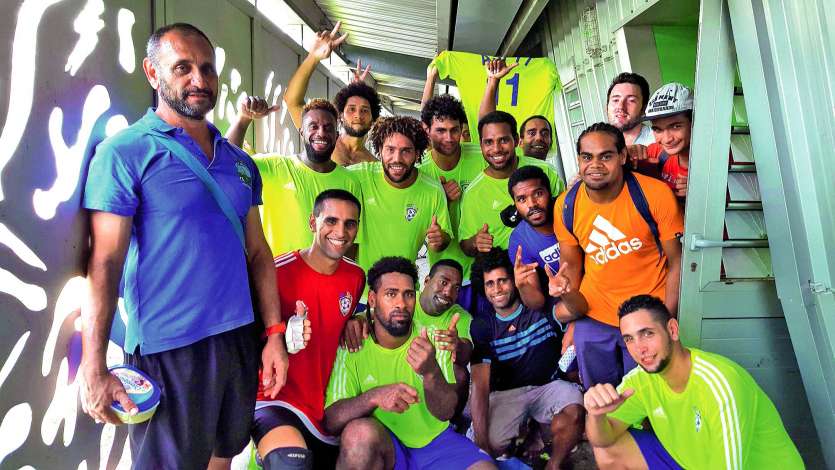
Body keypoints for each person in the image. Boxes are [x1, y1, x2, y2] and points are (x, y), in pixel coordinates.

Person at [79, 23, 288, 469]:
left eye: (207, 68)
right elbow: (106, 262)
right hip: (169, 347)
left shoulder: (240, 162)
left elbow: (257, 252)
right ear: (152, 74)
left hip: (237, 338)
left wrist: (273, 334)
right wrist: (93, 363)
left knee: (222, 456)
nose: (200, 79)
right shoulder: (125, 152)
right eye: (183, 68)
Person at [585, 295, 804, 469]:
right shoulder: (641, 379)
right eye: (629, 339)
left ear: (672, 330)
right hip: (691, 463)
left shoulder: (719, 384)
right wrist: (597, 415)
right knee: (609, 449)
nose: (639, 348)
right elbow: (602, 439)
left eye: (647, 334)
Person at [324, 257, 495, 470]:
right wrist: (375, 396)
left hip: (435, 442)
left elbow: (446, 412)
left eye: (408, 294)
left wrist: (431, 372)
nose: (401, 304)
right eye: (391, 294)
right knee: (358, 434)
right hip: (385, 446)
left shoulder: (430, 337)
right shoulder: (353, 341)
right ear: (373, 299)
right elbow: (331, 420)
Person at [552, 123, 683, 390]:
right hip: (595, 316)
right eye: (587, 157)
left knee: (650, 402)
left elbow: (677, 262)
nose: (595, 164)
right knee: (604, 400)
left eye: (606, 156)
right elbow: (573, 270)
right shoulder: (567, 205)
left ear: (622, 157)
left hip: (646, 314)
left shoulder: (654, 194)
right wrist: (575, 318)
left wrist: (665, 319)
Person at [250, 189, 364, 469]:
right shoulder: (276, 272)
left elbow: (345, 316)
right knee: (288, 463)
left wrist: (358, 320)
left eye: (350, 223)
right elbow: (242, 339)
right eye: (331, 221)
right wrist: (278, 336)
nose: (340, 231)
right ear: (313, 223)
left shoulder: (356, 277)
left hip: (324, 410)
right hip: (275, 399)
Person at [469, 248, 584, 470]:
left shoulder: (538, 308)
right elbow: (480, 387)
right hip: (507, 394)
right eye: (490, 284)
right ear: (482, 288)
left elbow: (575, 310)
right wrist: (483, 446)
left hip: (548, 387)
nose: (497, 289)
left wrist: (566, 292)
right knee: (488, 442)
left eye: (503, 280)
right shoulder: (482, 325)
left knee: (575, 413)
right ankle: (530, 431)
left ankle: (554, 464)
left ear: (514, 280)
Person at [458, 111, 564, 310]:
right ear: (480, 145)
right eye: (488, 142)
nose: (496, 148)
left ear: (516, 140)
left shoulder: (545, 171)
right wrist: (475, 242)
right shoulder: (473, 194)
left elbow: (566, 215)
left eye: (503, 140)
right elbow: (465, 245)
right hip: (509, 282)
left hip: (557, 265)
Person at [349, 116, 452, 288]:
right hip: (360, 292)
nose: (397, 158)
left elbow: (445, 238)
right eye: (390, 149)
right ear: (380, 150)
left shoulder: (433, 190)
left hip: (405, 293)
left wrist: (440, 239)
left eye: (406, 151)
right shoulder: (358, 177)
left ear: (417, 153)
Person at [251, 98, 361, 256]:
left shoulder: (349, 181)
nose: (321, 133)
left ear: (336, 135)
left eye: (328, 128)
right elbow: (228, 161)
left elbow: (351, 243)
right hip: (276, 276)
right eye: (313, 126)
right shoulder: (274, 166)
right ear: (302, 131)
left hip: (324, 279)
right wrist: (244, 119)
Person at [284, 21, 380, 166]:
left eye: (365, 110)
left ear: (373, 118)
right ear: (340, 115)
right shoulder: (321, 139)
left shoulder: (374, 165)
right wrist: (313, 58)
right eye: (351, 109)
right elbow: (292, 101)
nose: (357, 115)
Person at [418, 94, 486, 270]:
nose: (449, 138)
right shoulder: (419, 170)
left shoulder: (483, 156)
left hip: (486, 269)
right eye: (440, 130)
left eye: (454, 130)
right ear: (427, 130)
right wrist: (442, 199)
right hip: (446, 272)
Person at [479, 58, 554, 160]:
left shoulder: (552, 174)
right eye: (532, 133)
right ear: (519, 141)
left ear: (551, 141)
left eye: (545, 133)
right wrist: (493, 80)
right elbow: (486, 124)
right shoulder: (510, 167)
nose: (539, 138)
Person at [633, 82, 694, 200]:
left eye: (676, 126)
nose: (667, 139)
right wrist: (623, 153)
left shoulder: (718, 161)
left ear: (693, 123)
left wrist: (705, 191)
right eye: (658, 129)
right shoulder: (657, 151)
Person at [606, 72, 654, 146]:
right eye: (615, 100)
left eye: (631, 101)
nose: (620, 107)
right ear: (606, 107)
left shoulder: (657, 143)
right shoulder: (600, 143)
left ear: (644, 108)